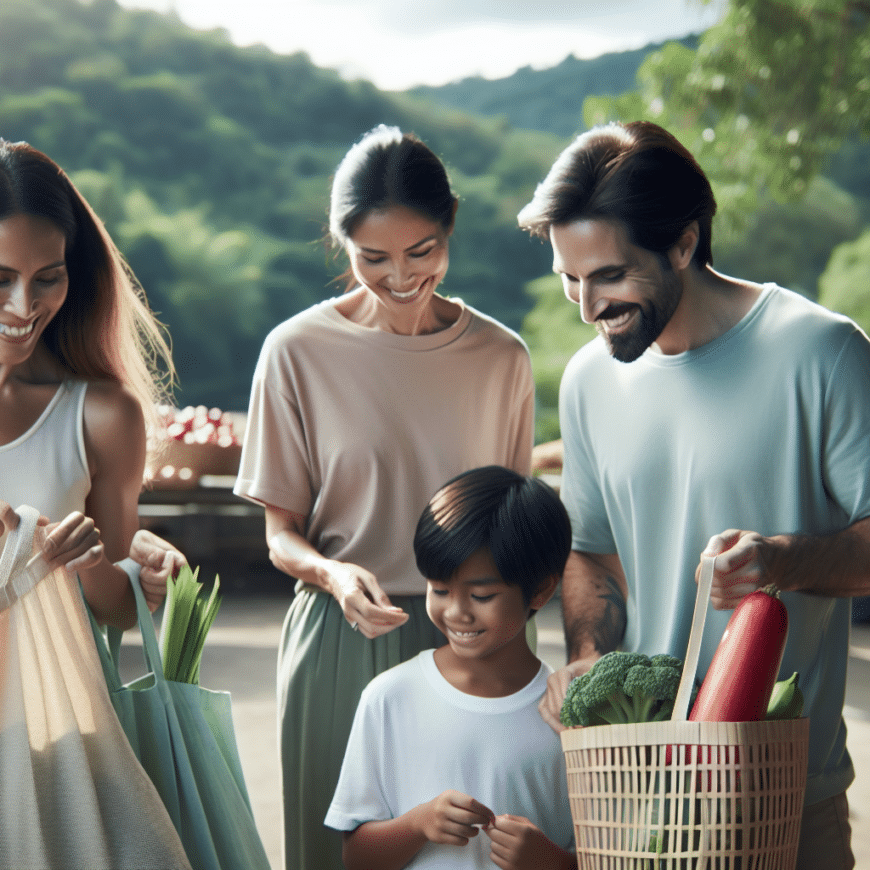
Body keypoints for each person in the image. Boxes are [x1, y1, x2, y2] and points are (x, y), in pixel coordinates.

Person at [517, 119, 869, 869]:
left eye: (609, 276)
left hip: (786, 796)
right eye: (568, 278)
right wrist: (587, 653)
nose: (586, 306)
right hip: (637, 794)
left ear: (683, 241)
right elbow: (593, 550)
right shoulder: (587, 379)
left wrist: (782, 559)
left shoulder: (823, 351)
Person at [233, 124, 535, 870]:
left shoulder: (502, 359)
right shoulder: (295, 352)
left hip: (472, 635)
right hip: (342, 637)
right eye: (374, 258)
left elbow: (514, 528)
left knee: (466, 852)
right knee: (335, 853)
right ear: (343, 246)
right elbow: (281, 533)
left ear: (450, 228)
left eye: (421, 251)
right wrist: (335, 575)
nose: (401, 276)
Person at [326, 465, 576, 870]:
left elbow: (609, 850)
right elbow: (355, 858)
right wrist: (417, 824)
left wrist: (552, 863)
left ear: (542, 589)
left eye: (481, 594)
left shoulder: (566, 716)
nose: (456, 612)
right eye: (439, 589)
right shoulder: (389, 697)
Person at [0, 139, 184, 626]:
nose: (24, 306)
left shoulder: (101, 415)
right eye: (0, 278)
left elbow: (122, 611)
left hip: (52, 703)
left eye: (47, 277)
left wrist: (88, 562)